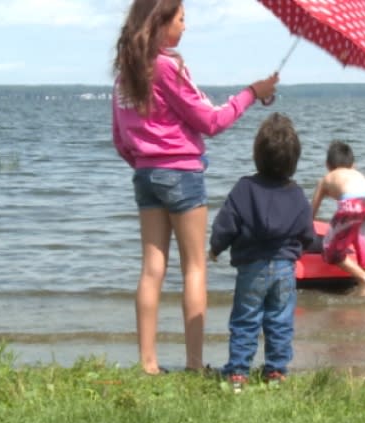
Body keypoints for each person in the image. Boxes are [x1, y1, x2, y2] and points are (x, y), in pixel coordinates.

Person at [111, 0, 278, 375]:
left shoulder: (126, 75)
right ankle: (193, 363)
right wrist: (252, 92)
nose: (185, 27)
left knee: (152, 268)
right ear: (160, 23)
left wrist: (145, 162)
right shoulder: (168, 68)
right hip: (182, 174)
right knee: (194, 268)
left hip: (145, 175)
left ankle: (148, 364)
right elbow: (210, 121)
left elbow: (120, 138)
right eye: (181, 19)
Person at [208, 112, 314, 391]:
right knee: (280, 320)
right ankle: (276, 371)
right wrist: (304, 248)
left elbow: (226, 223)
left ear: (258, 155)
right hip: (284, 268)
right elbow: (307, 232)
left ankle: (238, 373)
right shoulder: (297, 194)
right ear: (294, 161)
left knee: (245, 319)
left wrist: (216, 247)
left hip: (251, 267)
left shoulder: (245, 188)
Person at [310, 141, 365, 295]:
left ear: (327, 165)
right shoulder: (359, 175)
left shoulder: (326, 179)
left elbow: (311, 214)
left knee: (330, 251)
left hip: (354, 203)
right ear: (353, 165)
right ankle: (364, 289)